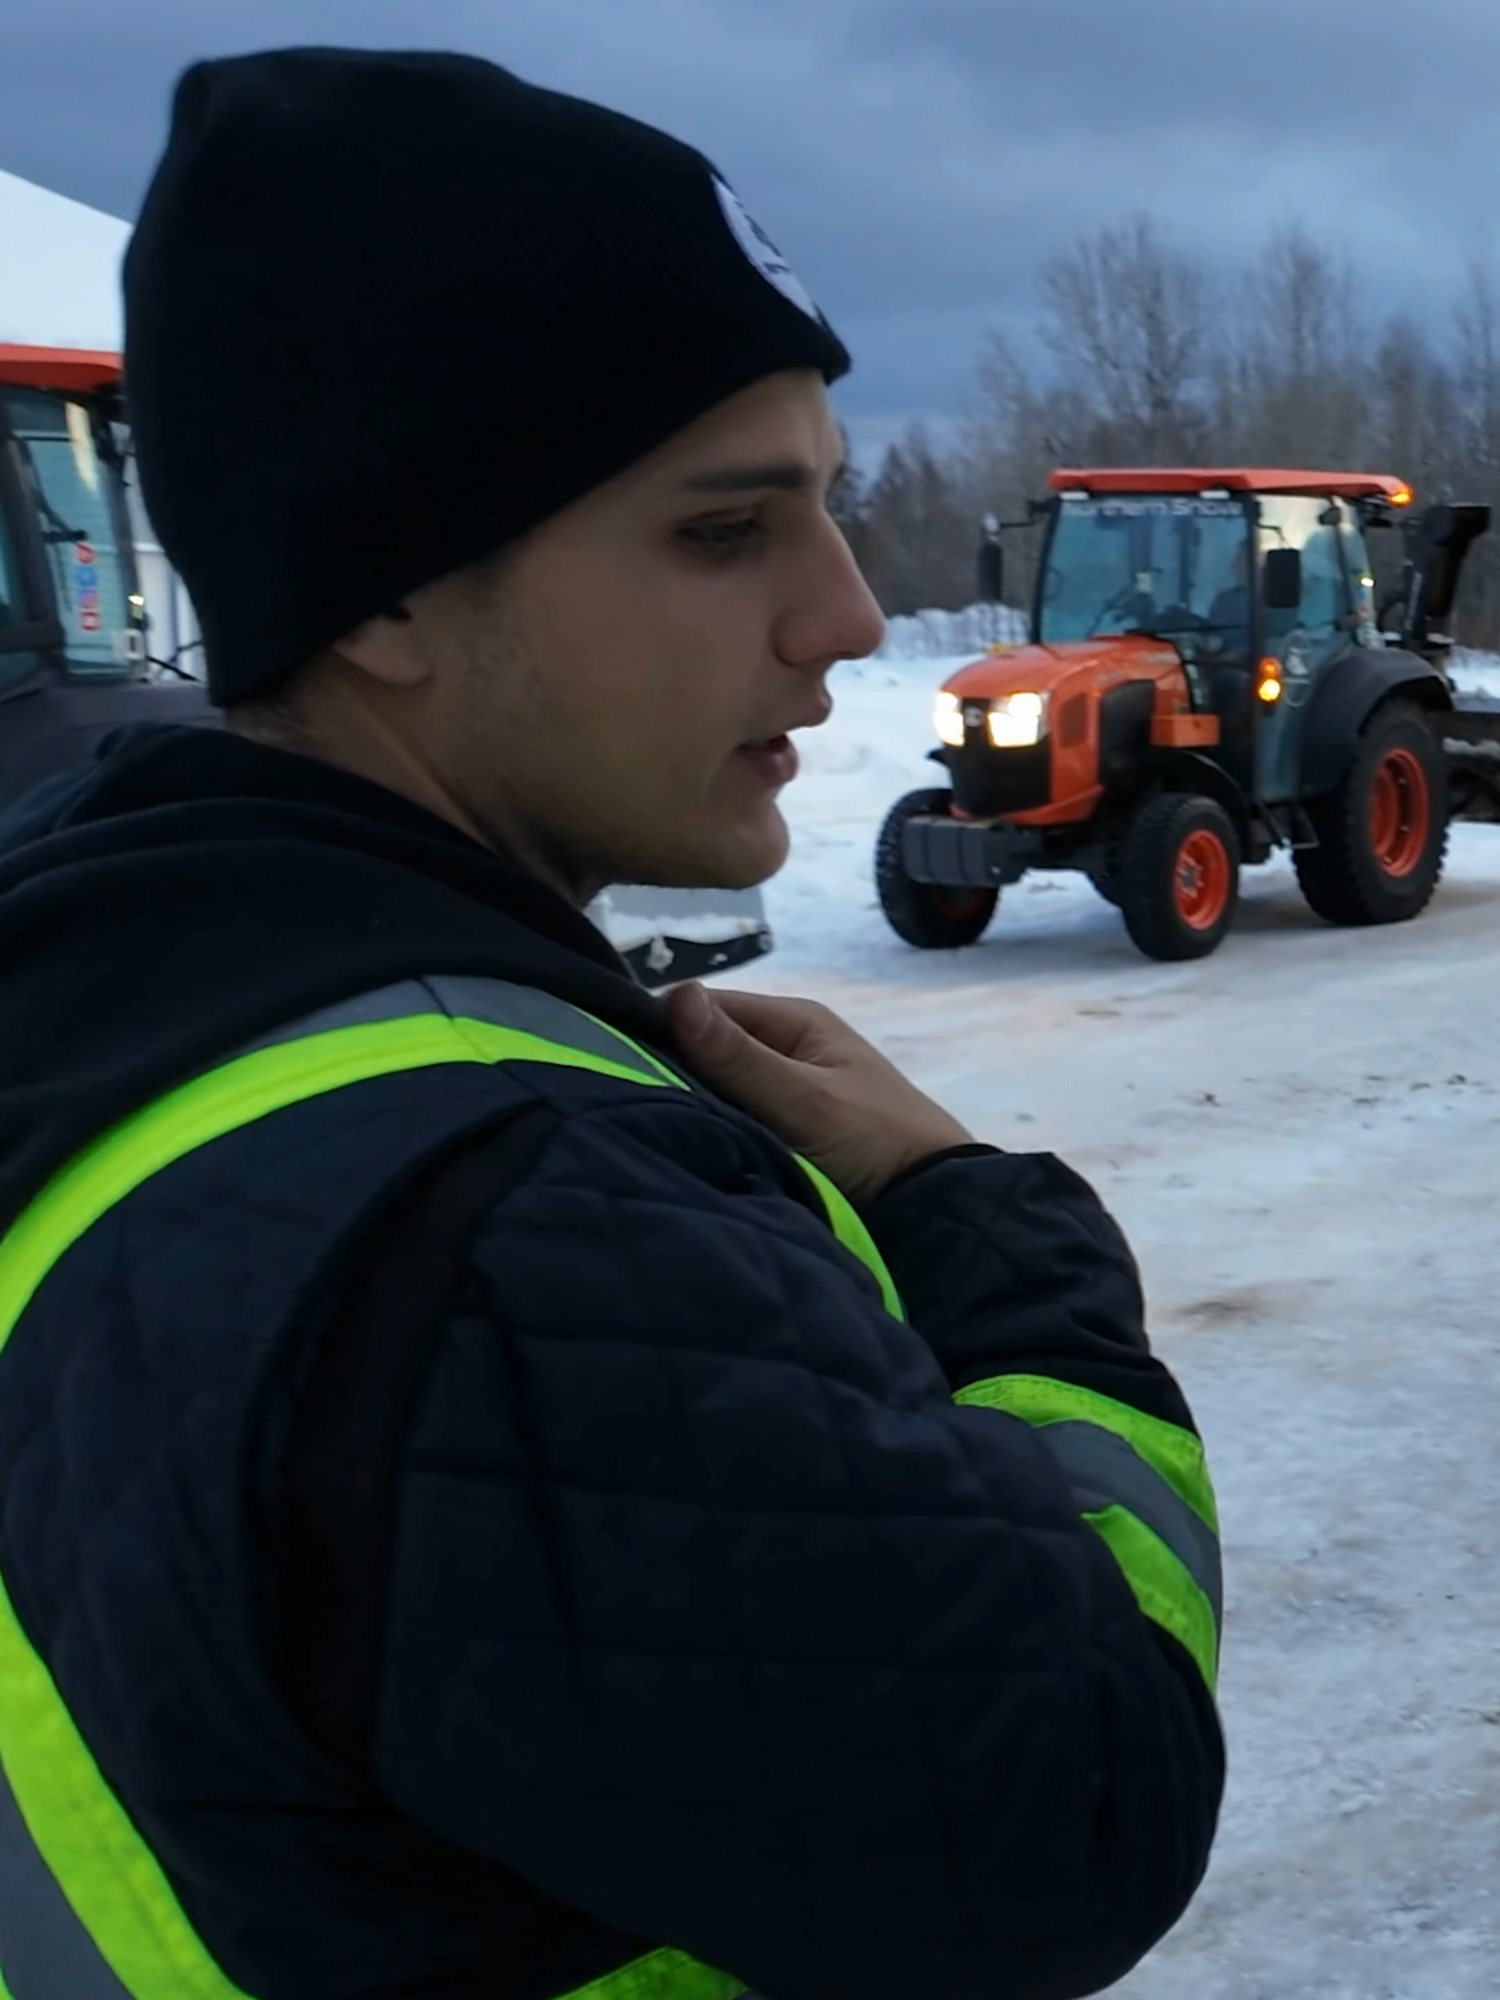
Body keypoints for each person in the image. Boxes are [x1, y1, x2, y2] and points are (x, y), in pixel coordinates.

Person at [0, 46, 1225, 2000]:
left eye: (827, 510)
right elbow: (1067, 1818)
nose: (841, 614)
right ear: (383, 588)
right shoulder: (518, 1221)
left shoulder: (115, 997)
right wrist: (986, 1233)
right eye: (725, 531)